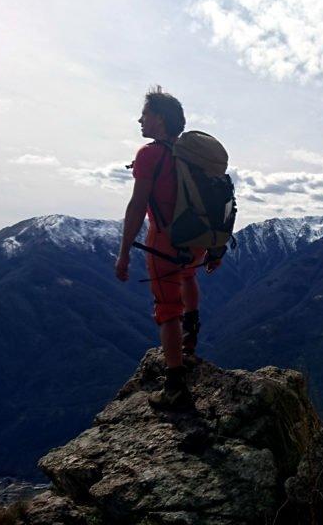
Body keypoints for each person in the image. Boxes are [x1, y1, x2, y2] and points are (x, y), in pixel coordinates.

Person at [115, 86, 219, 409]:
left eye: (145, 114)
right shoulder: (194, 157)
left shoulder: (149, 155)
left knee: (166, 310)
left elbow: (137, 206)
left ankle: (175, 386)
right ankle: (190, 342)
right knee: (188, 279)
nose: (140, 120)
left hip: (165, 243)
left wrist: (124, 252)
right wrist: (215, 246)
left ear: (159, 119)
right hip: (198, 241)